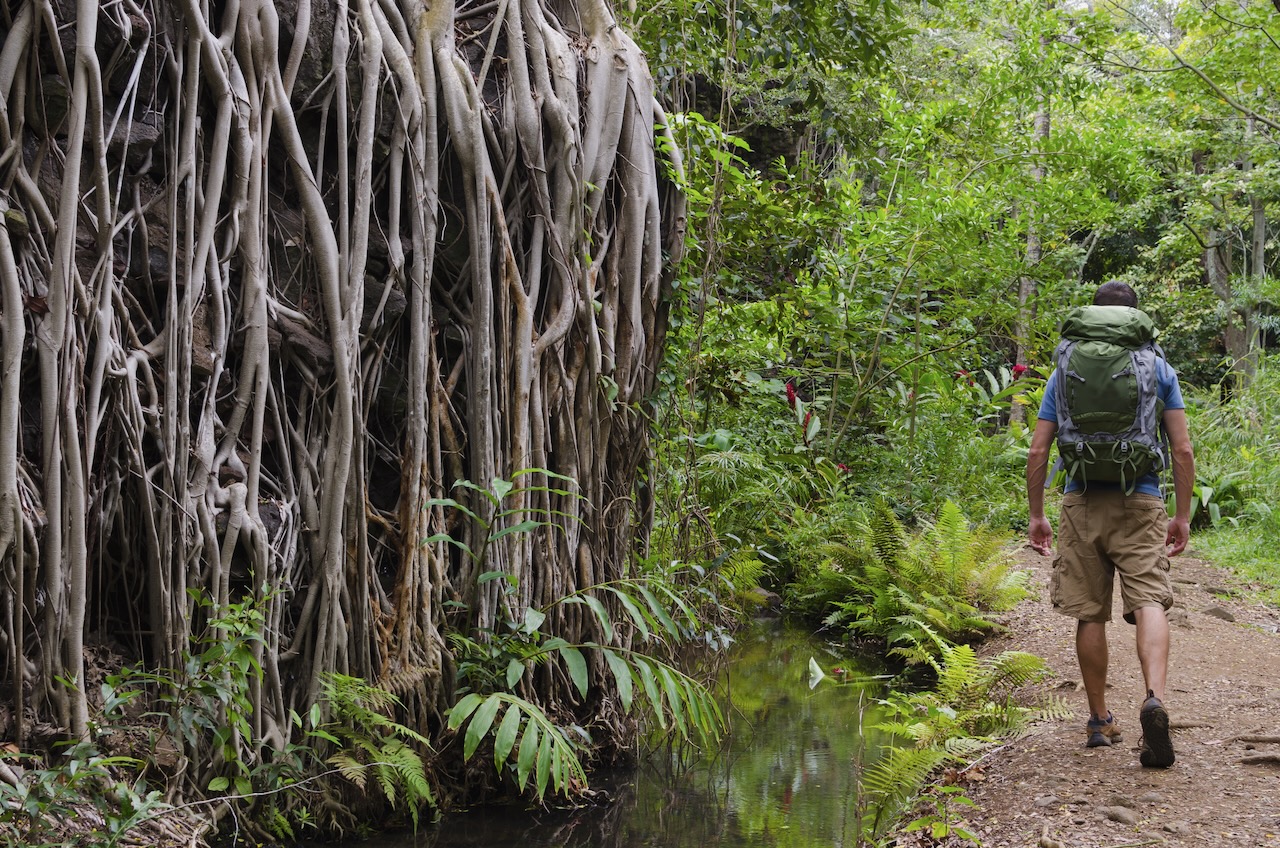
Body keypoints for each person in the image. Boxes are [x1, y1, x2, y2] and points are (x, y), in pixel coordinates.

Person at [1026, 281, 1195, 768]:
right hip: (1140, 499)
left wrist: (1038, 515)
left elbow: (1039, 449)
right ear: (1134, 318)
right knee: (1149, 601)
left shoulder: (1066, 367)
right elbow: (1181, 448)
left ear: (1093, 315)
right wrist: (1181, 515)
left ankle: (1100, 721)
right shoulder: (1156, 367)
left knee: (1089, 612)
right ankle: (1155, 699)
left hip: (1081, 500)